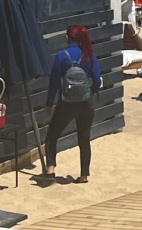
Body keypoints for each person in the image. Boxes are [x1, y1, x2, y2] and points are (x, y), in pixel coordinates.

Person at [43, 25, 102, 183]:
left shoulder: (62, 56)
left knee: (52, 135)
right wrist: (90, 92)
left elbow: (54, 82)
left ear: (68, 38)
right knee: (84, 138)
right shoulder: (89, 55)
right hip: (86, 102)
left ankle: (51, 170)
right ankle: (84, 175)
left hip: (66, 102)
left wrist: (49, 103)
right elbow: (97, 79)